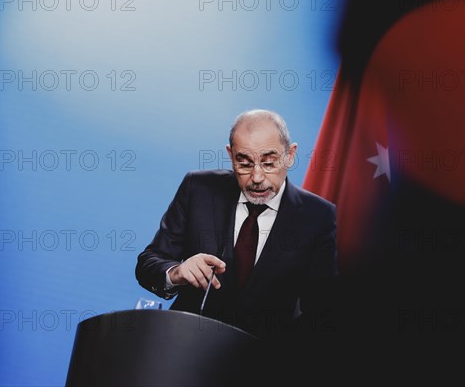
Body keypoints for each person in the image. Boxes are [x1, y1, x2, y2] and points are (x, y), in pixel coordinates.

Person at [135, 109, 338, 341]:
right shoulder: (198, 188)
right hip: (186, 346)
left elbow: (321, 312)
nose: (257, 177)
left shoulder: (318, 216)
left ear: (290, 155)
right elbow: (148, 264)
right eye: (244, 163)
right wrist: (177, 272)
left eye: (269, 163)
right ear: (231, 156)